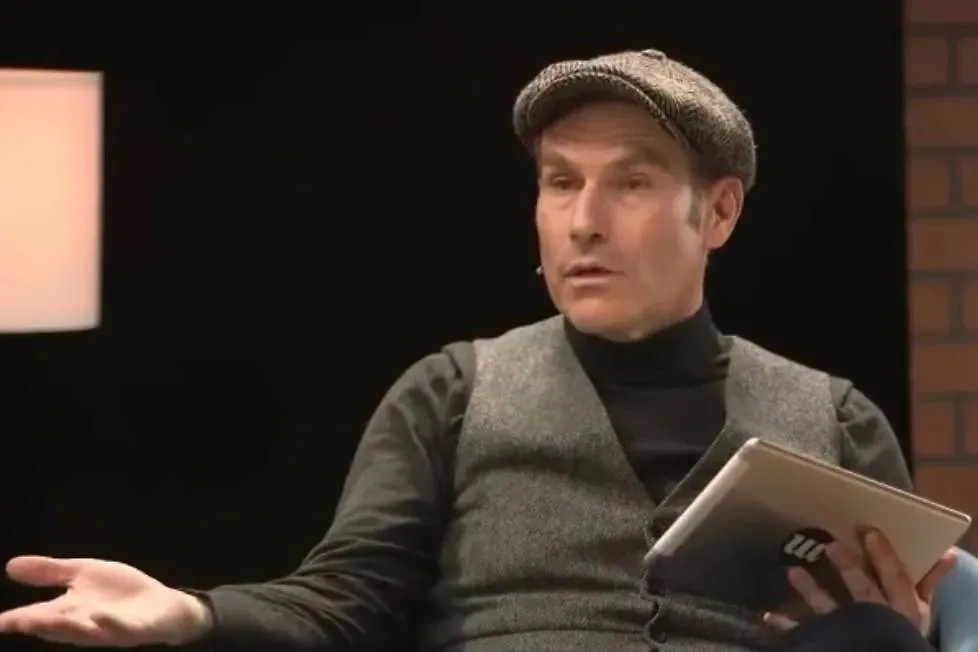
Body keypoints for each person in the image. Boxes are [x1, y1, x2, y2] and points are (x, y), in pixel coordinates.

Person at [0, 48, 960, 651]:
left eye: (630, 184)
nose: (583, 221)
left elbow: (915, 620)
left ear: (718, 212)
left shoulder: (835, 419)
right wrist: (189, 613)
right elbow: (346, 602)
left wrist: (901, 630)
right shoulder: (452, 392)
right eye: (560, 182)